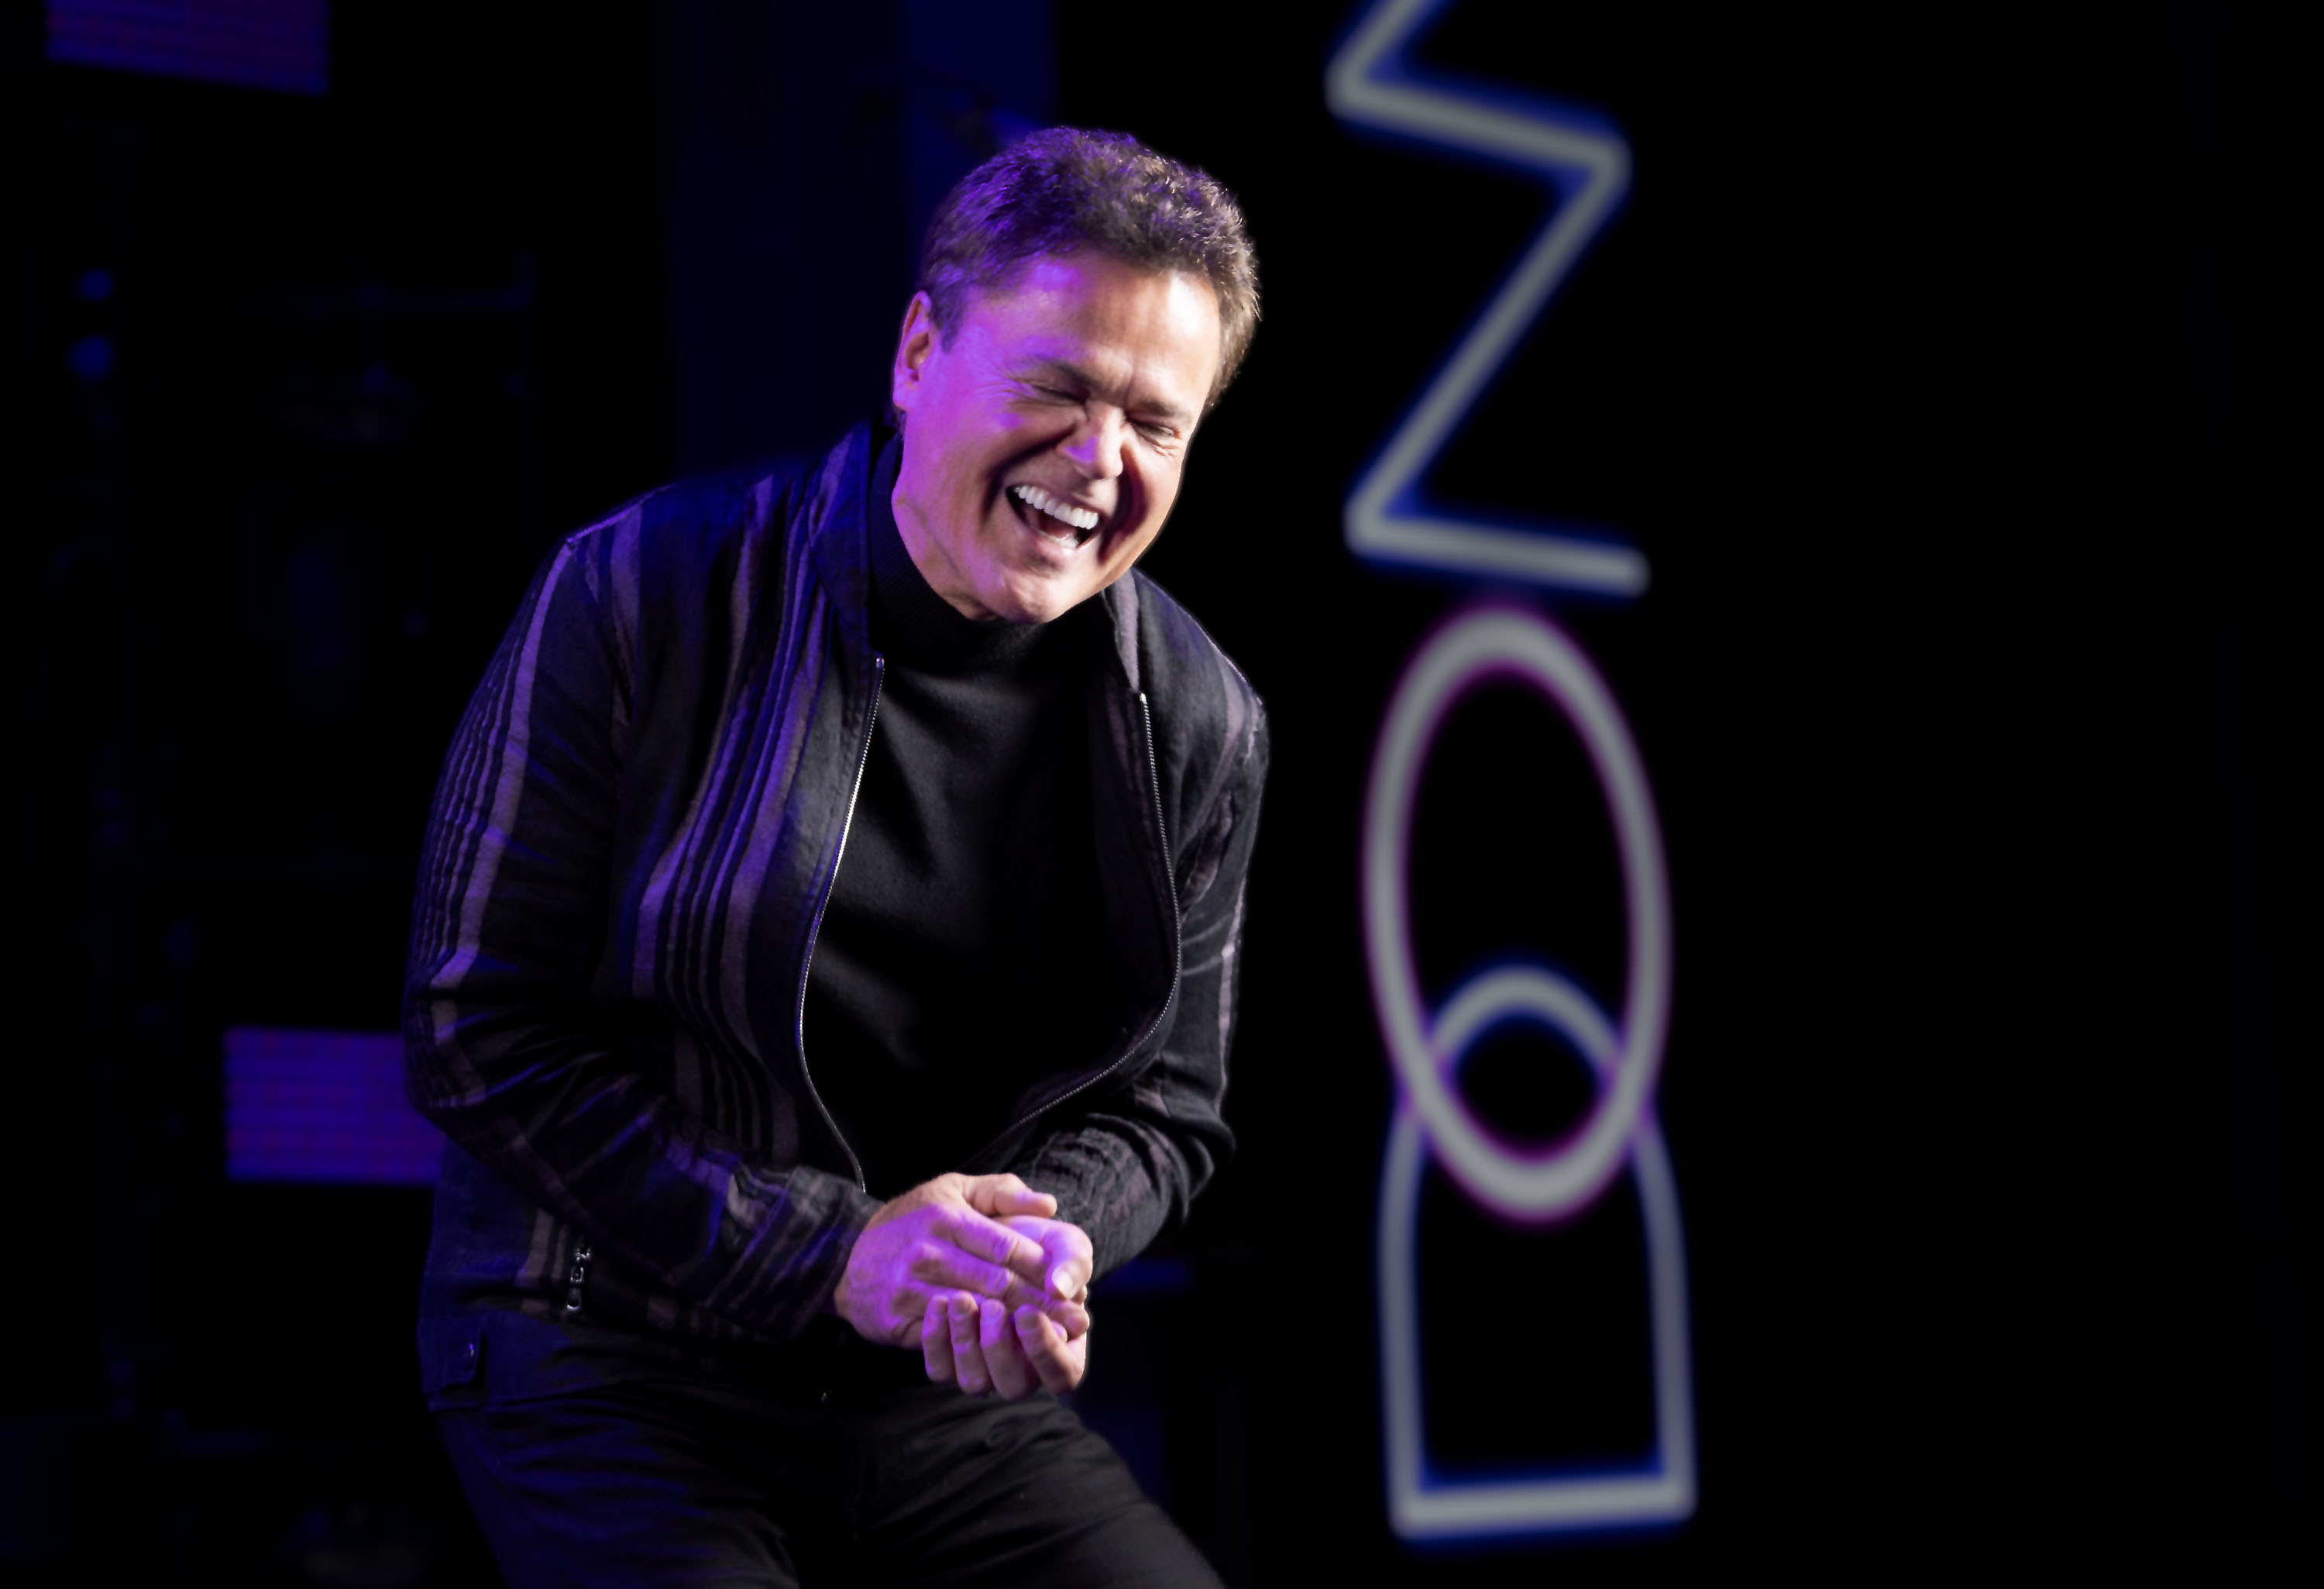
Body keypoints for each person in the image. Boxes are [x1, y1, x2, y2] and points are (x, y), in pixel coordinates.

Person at [402, 127, 1267, 1585]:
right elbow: (473, 1026)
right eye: (1057, 385)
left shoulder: (1201, 716)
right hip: (608, 1353)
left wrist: (1039, 1248)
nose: (1099, 460)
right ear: (920, 351)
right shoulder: (636, 593)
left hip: (932, 1400)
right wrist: (833, 1253)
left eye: (1155, 423)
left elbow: (1168, 1112)